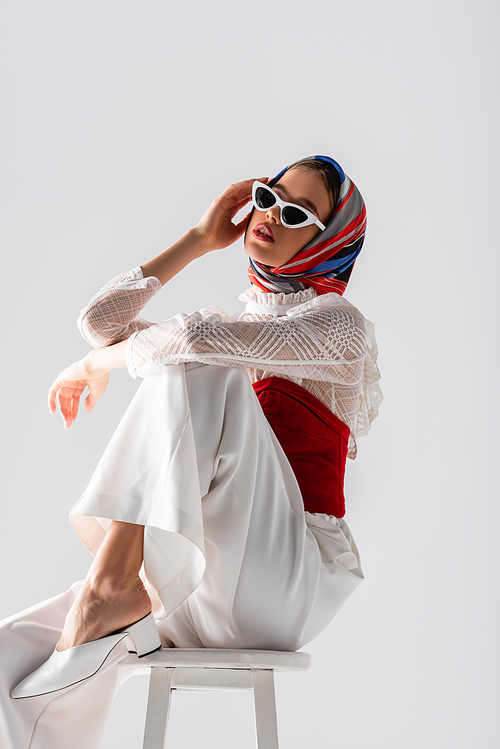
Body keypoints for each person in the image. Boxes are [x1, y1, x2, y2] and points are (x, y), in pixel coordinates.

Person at [0, 155, 382, 748]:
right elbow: (99, 321)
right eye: (266, 195)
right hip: (196, 580)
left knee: (196, 364)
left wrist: (88, 367)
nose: (269, 214)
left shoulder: (338, 326)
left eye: (297, 212)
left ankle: (108, 586)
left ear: (328, 241)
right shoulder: (242, 325)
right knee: (9, 655)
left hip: (282, 586)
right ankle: (113, 594)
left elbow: (190, 342)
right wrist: (200, 239)